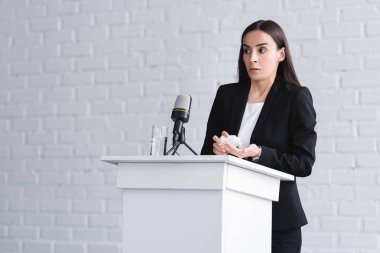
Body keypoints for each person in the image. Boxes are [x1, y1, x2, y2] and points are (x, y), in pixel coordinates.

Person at [200, 20, 317, 253]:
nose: (252, 58)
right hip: (230, 216)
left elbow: (304, 163)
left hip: (278, 223)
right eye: (246, 50)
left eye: (262, 50)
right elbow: (206, 153)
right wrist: (219, 151)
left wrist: (259, 153)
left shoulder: (296, 97)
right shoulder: (227, 95)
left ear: (281, 54)